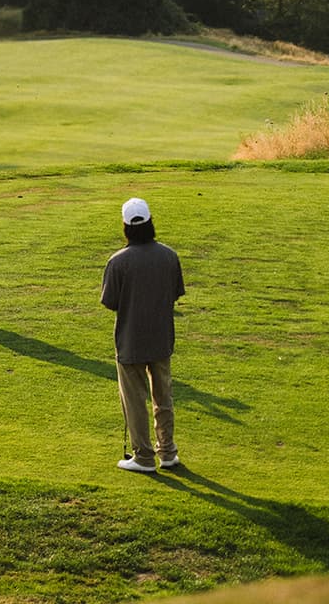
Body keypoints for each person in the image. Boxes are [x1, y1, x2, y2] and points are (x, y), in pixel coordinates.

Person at [100, 197, 185, 474]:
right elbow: (174, 293)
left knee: (135, 400)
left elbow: (111, 302)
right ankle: (168, 451)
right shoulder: (169, 256)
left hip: (130, 342)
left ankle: (144, 456)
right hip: (161, 339)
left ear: (125, 226)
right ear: (150, 222)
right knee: (164, 398)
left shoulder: (117, 262)